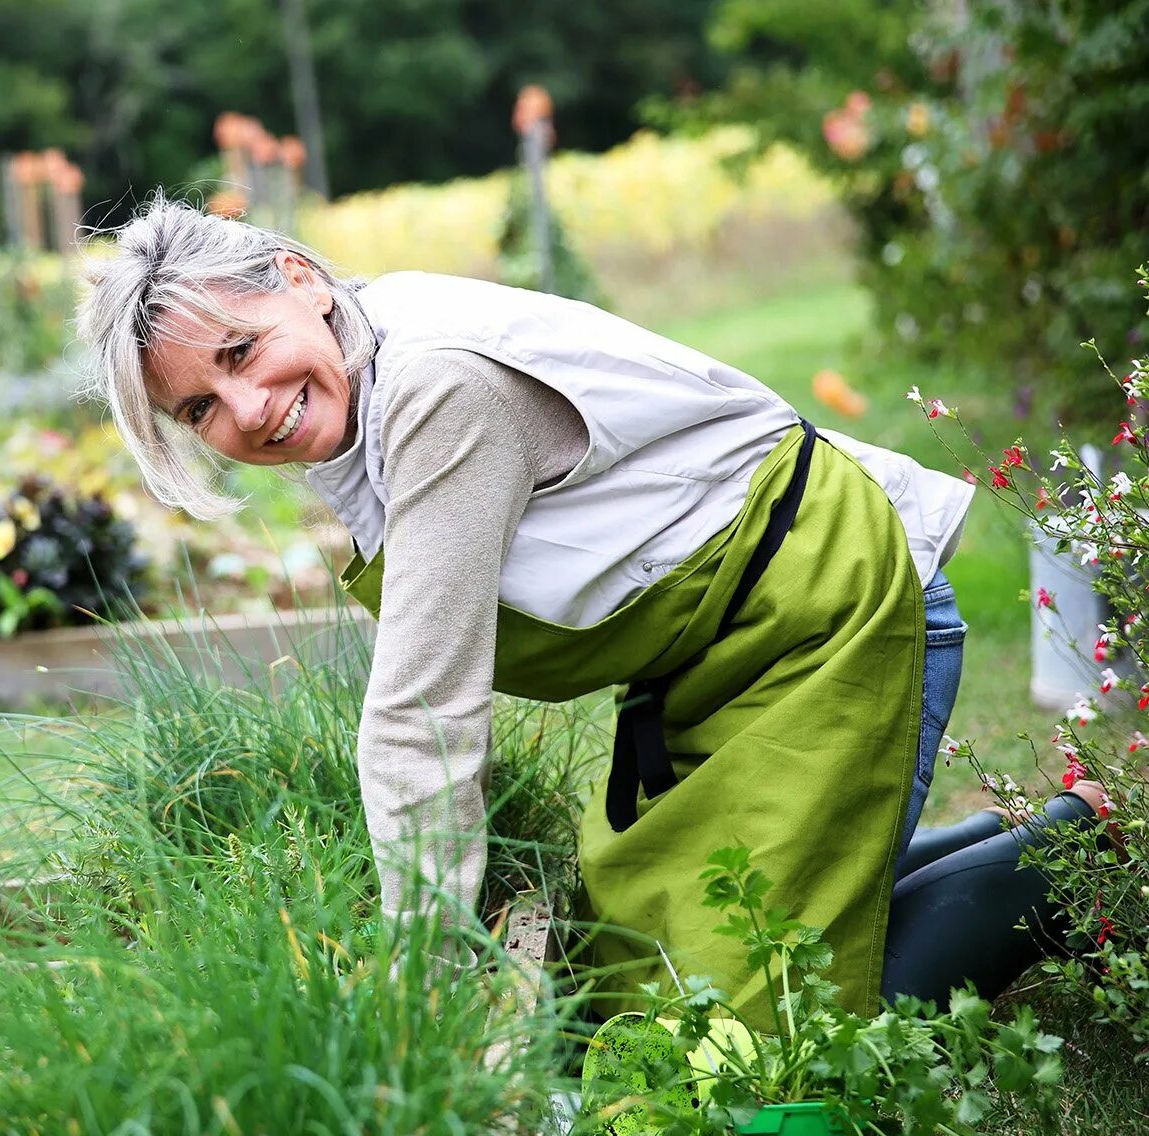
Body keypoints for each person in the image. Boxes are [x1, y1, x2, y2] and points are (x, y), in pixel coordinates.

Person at [77, 195, 1103, 1025]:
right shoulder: (362, 371)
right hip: (720, 651)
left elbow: (421, 710)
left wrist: (416, 979)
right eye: (199, 408)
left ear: (300, 281)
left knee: (750, 1034)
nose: (246, 408)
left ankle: (1073, 870)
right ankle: (1037, 842)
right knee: (630, 982)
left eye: (240, 352)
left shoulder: (435, 389)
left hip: (830, 609)